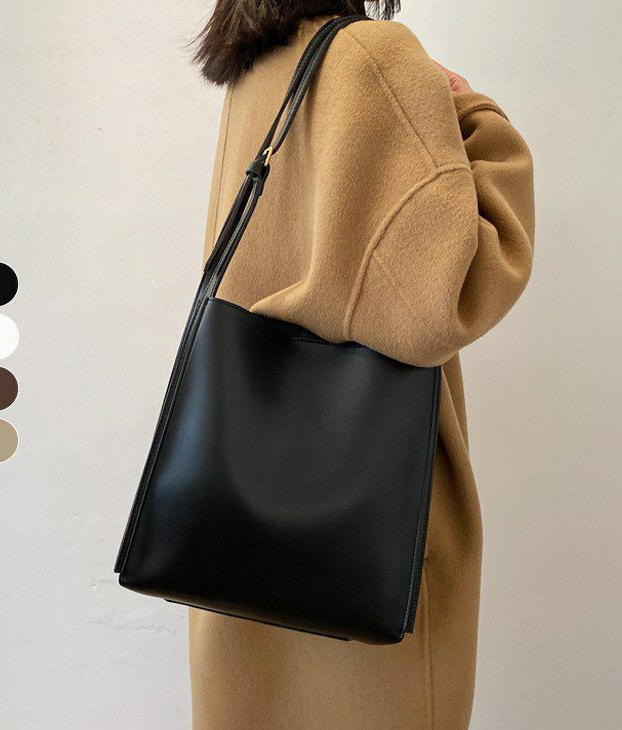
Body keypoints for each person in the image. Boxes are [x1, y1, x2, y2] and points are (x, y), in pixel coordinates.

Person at [188, 2, 535, 727]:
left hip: (239, 532)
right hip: (371, 527)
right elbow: (446, 299)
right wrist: (476, 113)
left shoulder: (253, 71)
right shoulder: (374, 56)